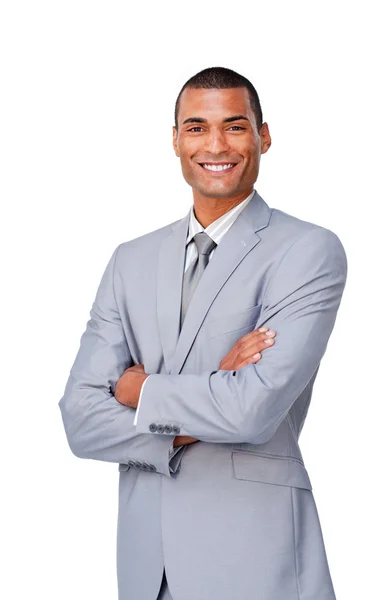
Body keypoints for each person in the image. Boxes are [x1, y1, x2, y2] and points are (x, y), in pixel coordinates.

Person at [58, 66, 347, 600]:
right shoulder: (131, 260)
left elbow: (251, 410)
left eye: (235, 127)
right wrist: (210, 394)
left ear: (263, 136)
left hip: (257, 561)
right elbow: (80, 419)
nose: (216, 144)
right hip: (148, 569)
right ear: (175, 140)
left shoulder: (307, 251)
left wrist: (139, 391)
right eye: (196, 127)